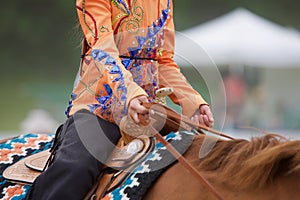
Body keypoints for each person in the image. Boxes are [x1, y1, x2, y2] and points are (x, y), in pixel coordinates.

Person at [26, 0, 214, 199]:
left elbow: (163, 61)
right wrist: (129, 94)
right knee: (75, 168)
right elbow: (102, 50)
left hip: (149, 112)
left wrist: (193, 101)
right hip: (100, 109)